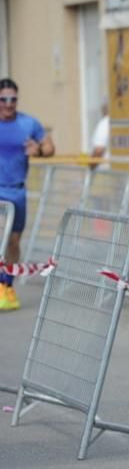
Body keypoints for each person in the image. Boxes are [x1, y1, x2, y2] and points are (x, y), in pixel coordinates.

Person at [0, 77, 55, 311]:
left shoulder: (28, 124)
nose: (9, 104)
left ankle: (7, 286)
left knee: (13, 242)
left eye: (13, 99)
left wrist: (39, 150)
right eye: (4, 99)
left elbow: (50, 148)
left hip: (16, 192)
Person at [89, 103, 110, 170]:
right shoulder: (120, 122)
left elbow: (98, 150)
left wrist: (90, 167)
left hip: (104, 172)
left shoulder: (104, 124)